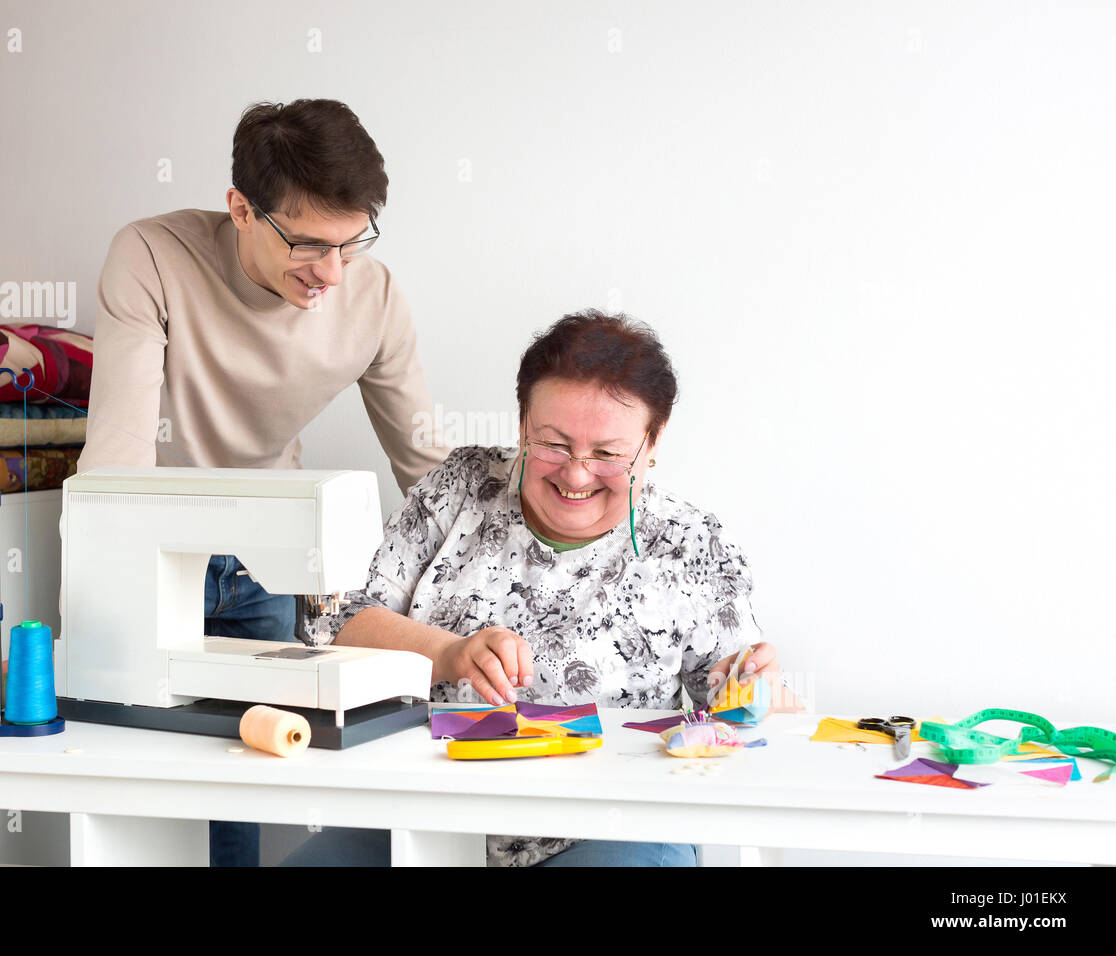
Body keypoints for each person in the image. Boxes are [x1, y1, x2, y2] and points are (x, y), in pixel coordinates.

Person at [73, 99, 450, 865]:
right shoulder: (151, 257)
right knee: (126, 778)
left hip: (270, 567)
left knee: (241, 785)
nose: (332, 274)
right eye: (309, 244)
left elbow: (428, 474)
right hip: (146, 554)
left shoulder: (370, 298)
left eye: (352, 243)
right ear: (240, 208)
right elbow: (116, 468)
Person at [283, 309, 793, 867]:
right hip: (423, 810)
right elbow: (331, 622)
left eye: (607, 454)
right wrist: (446, 653)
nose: (576, 475)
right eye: (553, 444)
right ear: (522, 421)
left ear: (653, 440)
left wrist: (749, 685)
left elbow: (729, 705)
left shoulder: (687, 543)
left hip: (608, 827)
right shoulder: (460, 488)